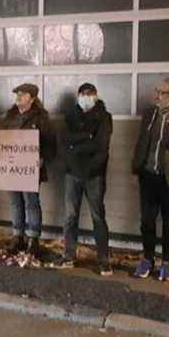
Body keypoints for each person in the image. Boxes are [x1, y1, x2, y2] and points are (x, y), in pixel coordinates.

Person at [131, 77, 169, 281]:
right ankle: (147, 258)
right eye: (157, 91)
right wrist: (137, 165)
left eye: (162, 92)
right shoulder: (151, 112)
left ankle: (166, 262)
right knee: (147, 221)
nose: (157, 96)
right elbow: (142, 140)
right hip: (149, 175)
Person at [53, 82, 112, 275]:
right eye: (83, 93)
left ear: (96, 95)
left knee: (98, 216)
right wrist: (87, 136)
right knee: (70, 216)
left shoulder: (104, 117)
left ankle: (103, 260)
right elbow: (64, 141)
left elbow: (101, 147)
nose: (86, 97)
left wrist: (76, 145)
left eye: (90, 93)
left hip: (94, 174)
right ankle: (69, 256)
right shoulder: (70, 116)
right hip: (72, 173)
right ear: (78, 96)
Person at [3, 83, 57, 258]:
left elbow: (51, 144)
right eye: (17, 93)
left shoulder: (41, 117)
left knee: (31, 202)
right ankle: (17, 236)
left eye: (23, 94)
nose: (18, 96)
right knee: (15, 202)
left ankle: (33, 239)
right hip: (11, 168)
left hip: (30, 168)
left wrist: (43, 158)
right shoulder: (10, 116)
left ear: (32, 98)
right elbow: (1, 140)